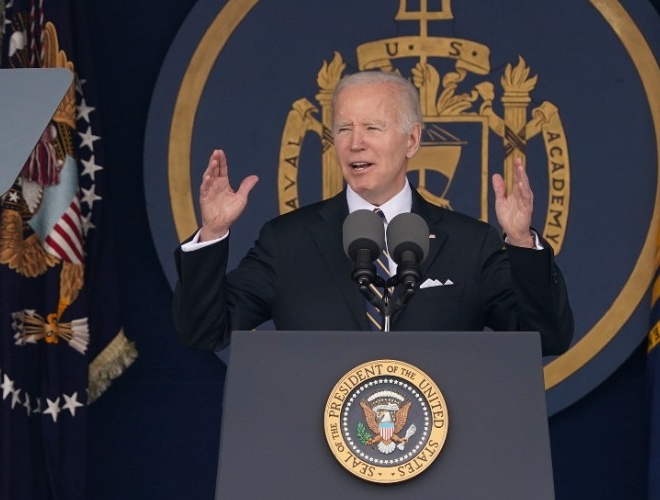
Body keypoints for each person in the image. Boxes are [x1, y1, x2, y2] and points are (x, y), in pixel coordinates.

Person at [173, 71, 573, 355]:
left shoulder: (471, 243)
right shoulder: (287, 241)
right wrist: (212, 233)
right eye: (343, 129)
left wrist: (521, 242)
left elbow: (546, 338)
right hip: (315, 460)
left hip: (440, 458)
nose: (355, 144)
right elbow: (205, 332)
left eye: (373, 128)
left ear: (412, 140)